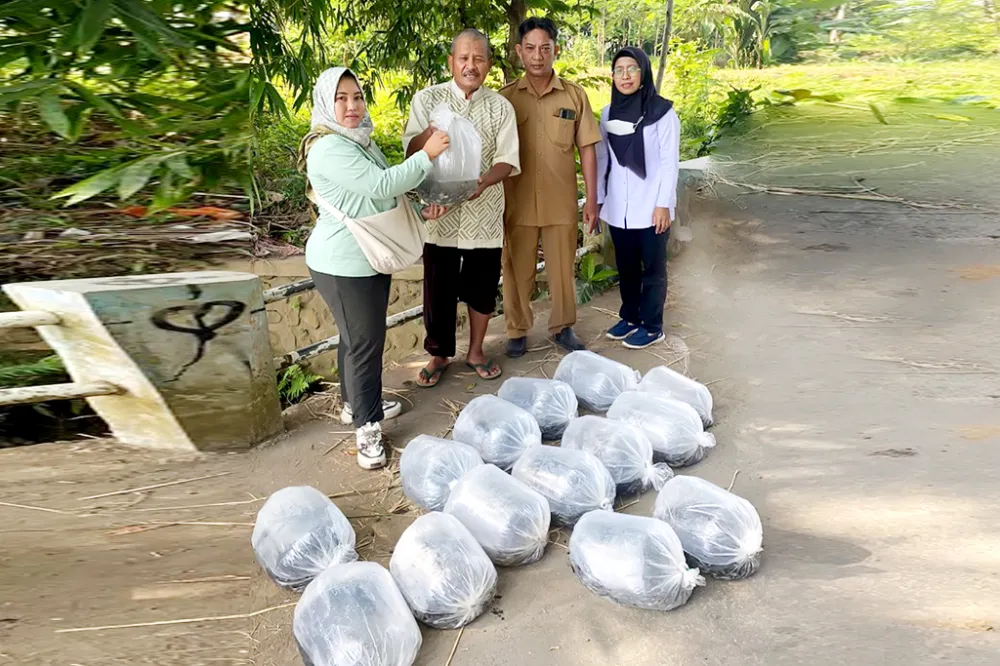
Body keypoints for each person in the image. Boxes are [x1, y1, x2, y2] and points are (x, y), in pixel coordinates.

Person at [299, 67, 450, 469]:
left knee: (355, 340)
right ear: (326, 103)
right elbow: (384, 185)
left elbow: (377, 199)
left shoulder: (357, 142)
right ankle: (367, 430)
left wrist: (419, 210)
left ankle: (354, 404)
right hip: (344, 263)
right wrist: (427, 154)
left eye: (357, 96)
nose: (352, 106)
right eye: (341, 98)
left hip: (366, 255)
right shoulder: (329, 148)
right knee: (366, 344)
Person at [403, 29, 521, 386]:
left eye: (479, 58)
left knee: (482, 286)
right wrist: (432, 132)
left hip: (483, 212)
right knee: (438, 287)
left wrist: (482, 182)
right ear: (451, 62)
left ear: (488, 63)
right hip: (440, 215)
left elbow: (508, 160)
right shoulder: (428, 100)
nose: (471, 65)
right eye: (464, 58)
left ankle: (476, 351)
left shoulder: (500, 106)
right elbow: (411, 153)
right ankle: (439, 353)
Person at [500, 17, 602, 357]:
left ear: (555, 50)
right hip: (517, 202)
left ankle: (562, 327)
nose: (538, 56)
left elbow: (587, 147)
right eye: (530, 48)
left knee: (562, 268)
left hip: (560, 200)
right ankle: (517, 330)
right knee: (516, 270)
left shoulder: (574, 96)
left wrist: (592, 200)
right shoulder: (506, 100)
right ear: (519, 52)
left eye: (545, 48)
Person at [595, 47, 680, 349]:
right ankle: (630, 317)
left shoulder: (663, 113)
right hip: (620, 207)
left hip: (651, 206)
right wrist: (599, 199)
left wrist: (664, 205)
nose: (625, 75)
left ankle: (653, 325)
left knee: (653, 269)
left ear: (643, 72)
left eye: (632, 69)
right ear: (613, 76)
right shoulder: (607, 114)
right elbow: (603, 160)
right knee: (627, 267)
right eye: (619, 70)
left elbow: (670, 162)